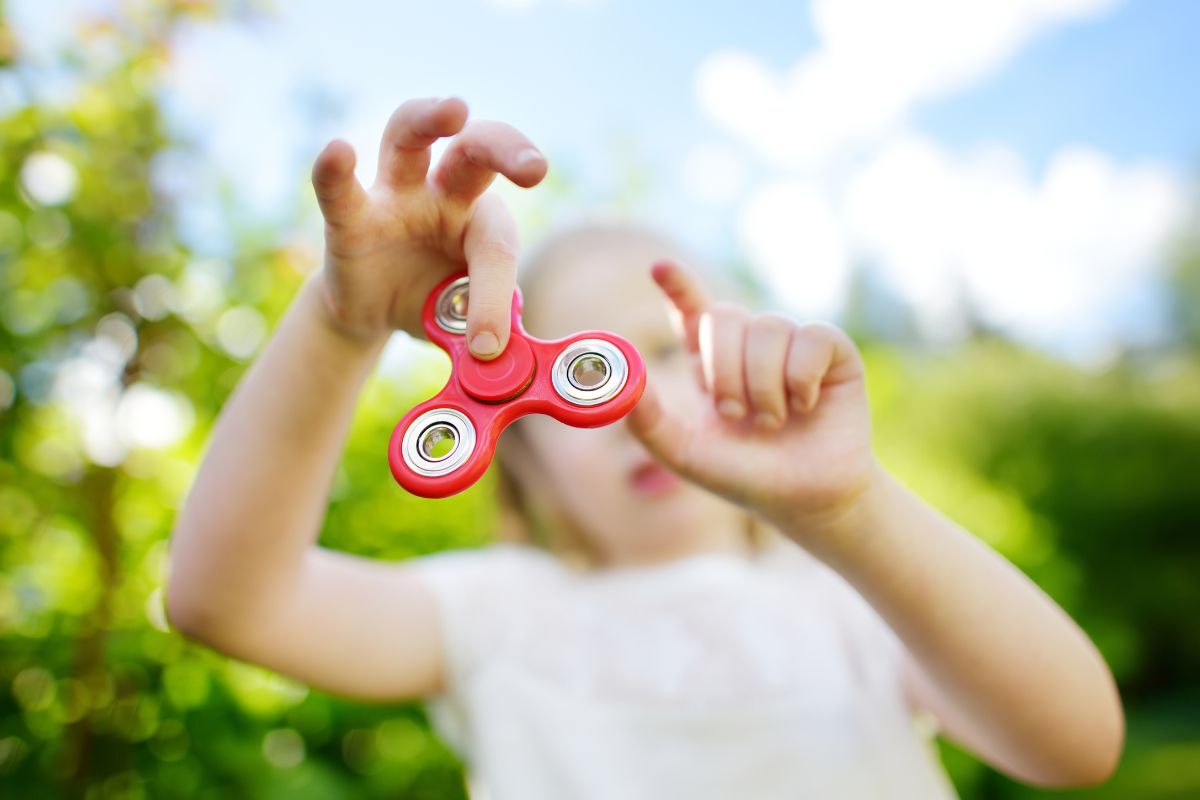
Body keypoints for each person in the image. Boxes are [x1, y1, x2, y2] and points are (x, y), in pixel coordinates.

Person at [164, 97, 1124, 799]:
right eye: (574, 376)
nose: (630, 401)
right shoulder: (493, 614)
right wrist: (344, 322)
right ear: (520, 456)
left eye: (668, 349)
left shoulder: (852, 600)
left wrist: (850, 511)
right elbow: (225, 603)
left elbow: (1077, 746)